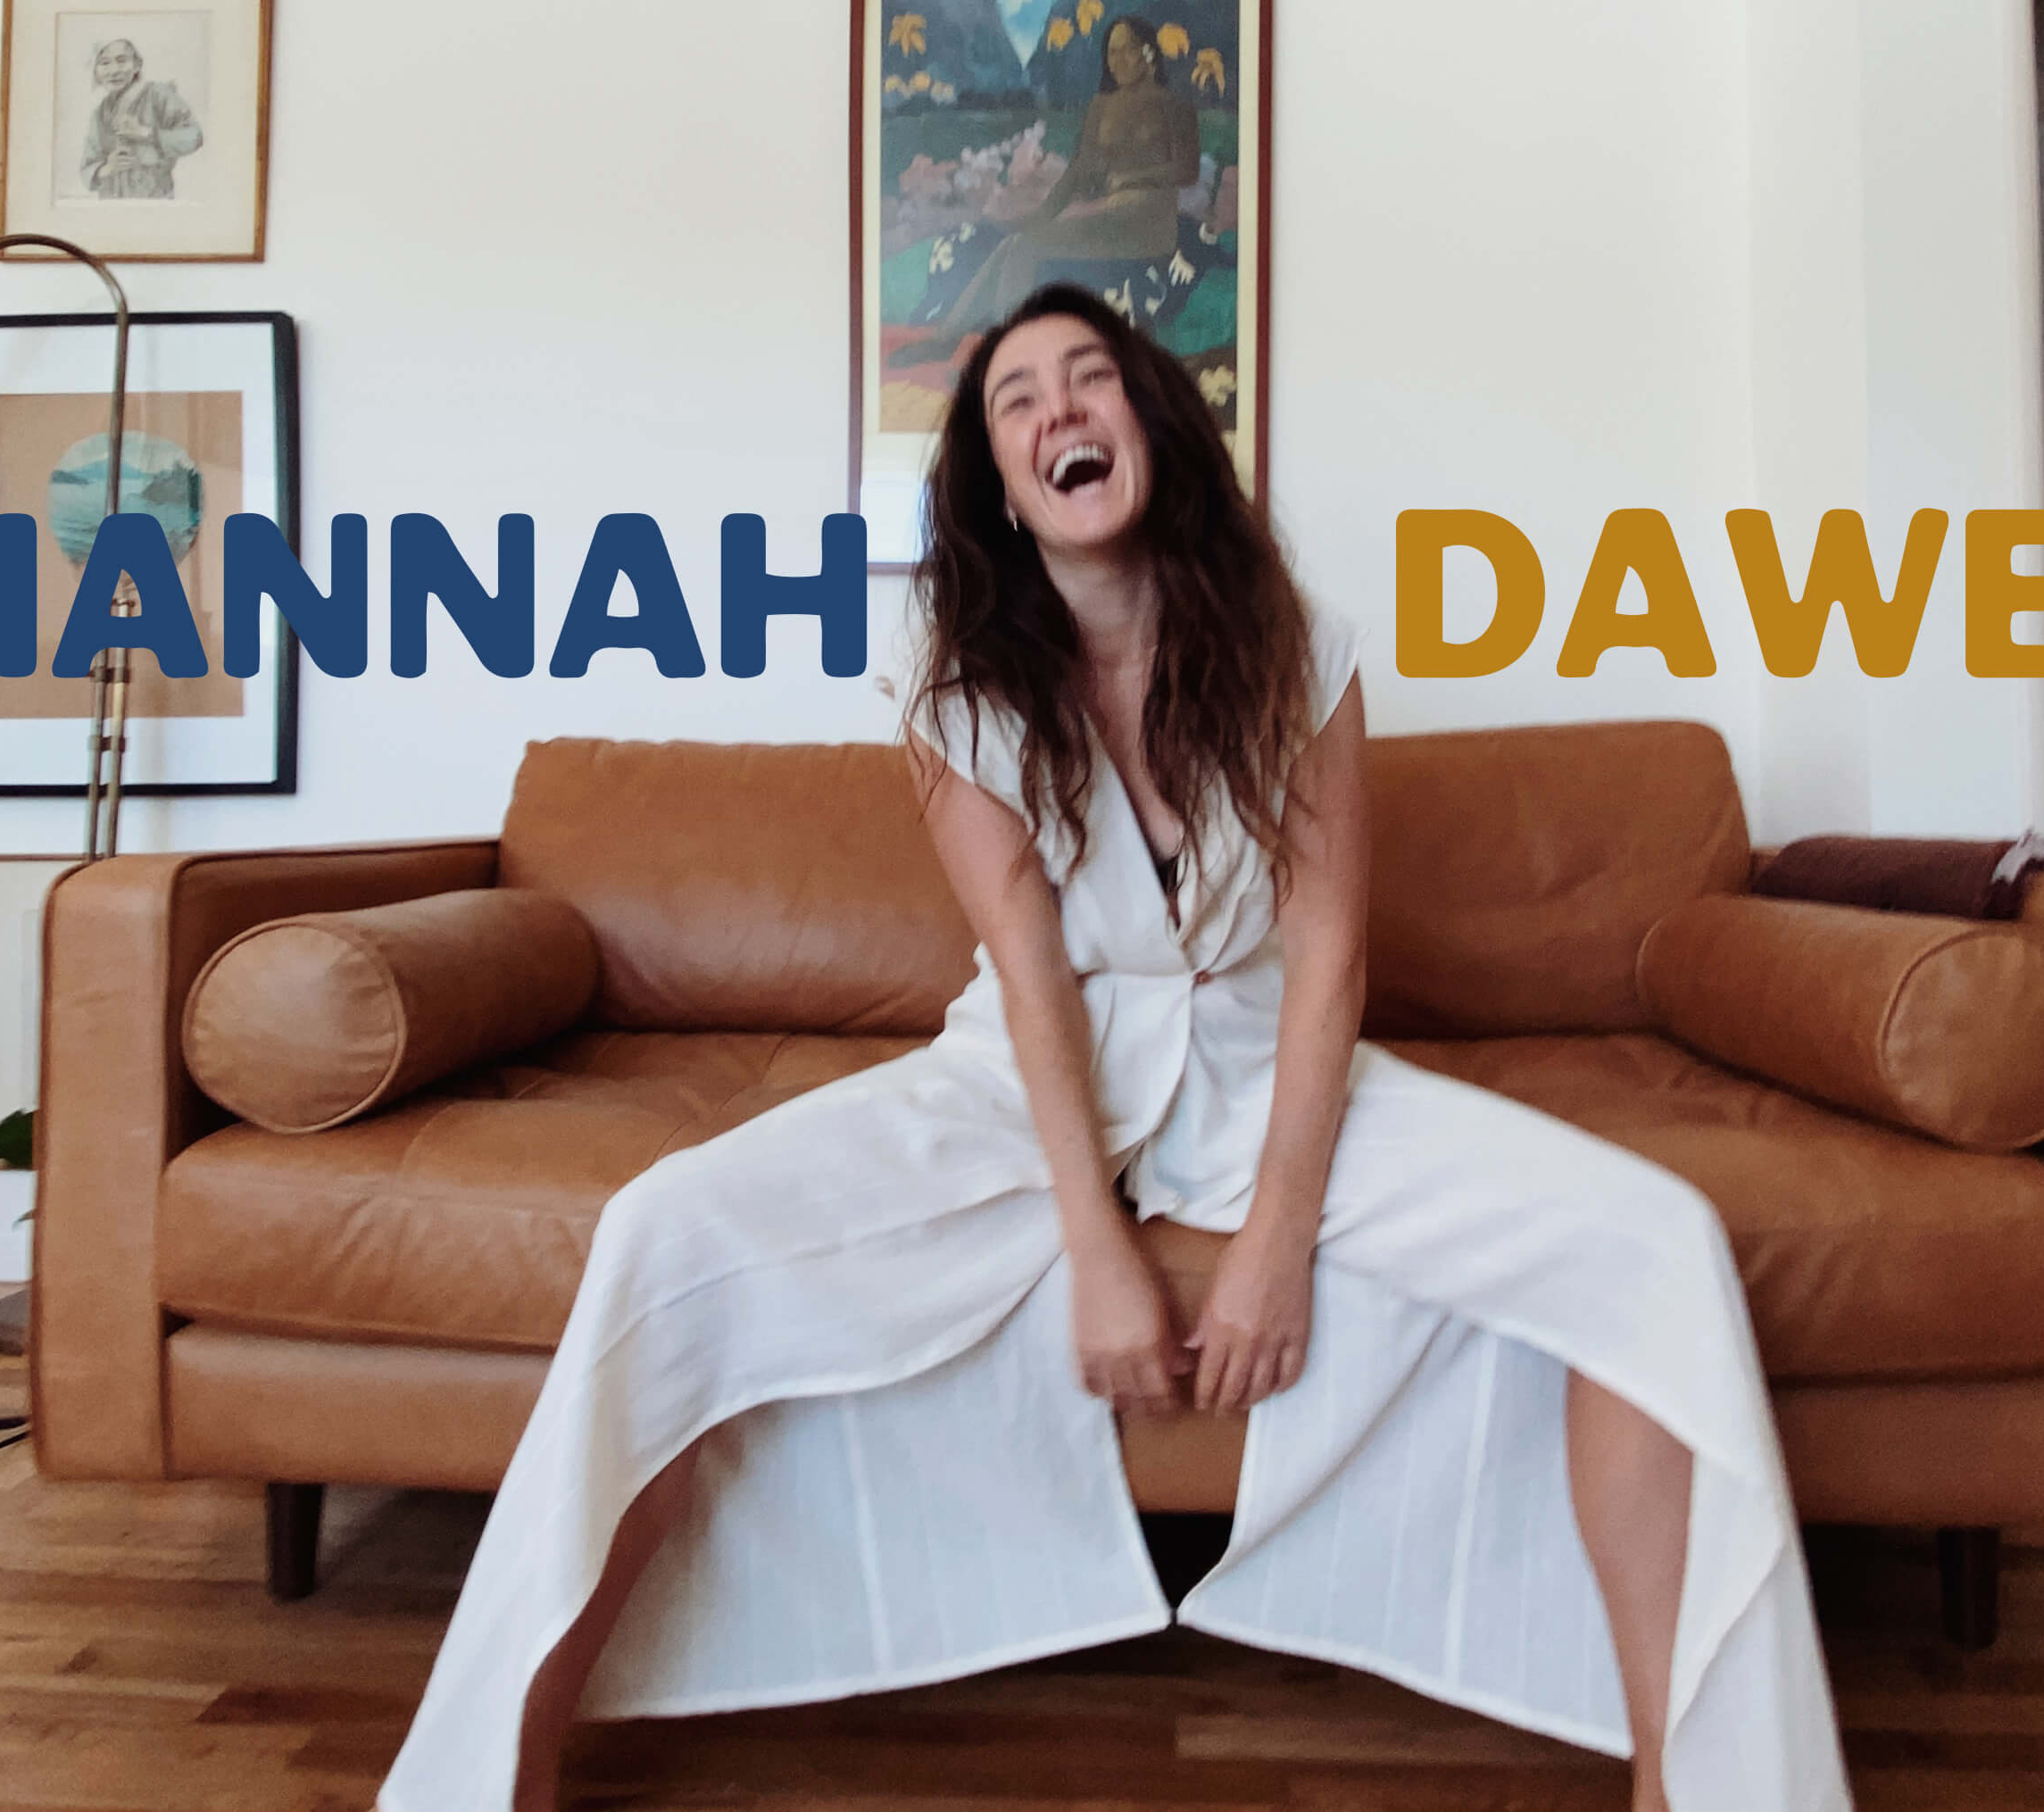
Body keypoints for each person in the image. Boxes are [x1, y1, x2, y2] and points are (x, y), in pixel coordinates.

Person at [376, 283, 1852, 1812]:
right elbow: (1027, 970)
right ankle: (496, 1773)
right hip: (1020, 1077)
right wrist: (1094, 1244)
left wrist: (1274, 1235)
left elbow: (1329, 957)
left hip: (1267, 1065)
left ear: (1148, 423)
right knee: (659, 1233)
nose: (1058, 410)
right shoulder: (949, 680)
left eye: (1090, 378)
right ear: (1004, 490)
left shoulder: (1296, 647)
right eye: (1017, 399)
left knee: (1660, 1245)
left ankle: (1690, 1781)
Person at [892, 18, 1200, 366]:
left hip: (1148, 220)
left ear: (1149, 52)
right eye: (1111, 52)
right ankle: (948, 339)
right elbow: (1079, 171)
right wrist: (1041, 215)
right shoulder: (1102, 107)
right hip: (1111, 211)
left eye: (1126, 50)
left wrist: (1133, 178)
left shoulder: (1174, 106)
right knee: (1014, 242)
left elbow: (1187, 171)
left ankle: (1005, 351)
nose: (1117, 61)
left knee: (1025, 246)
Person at [79, 38, 203, 200]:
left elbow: (194, 137)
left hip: (155, 197)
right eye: (104, 63)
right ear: (95, 70)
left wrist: (147, 133)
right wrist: (107, 168)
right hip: (110, 200)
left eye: (122, 61)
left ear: (137, 65)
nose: (114, 71)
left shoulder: (159, 94)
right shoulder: (100, 113)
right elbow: (88, 166)